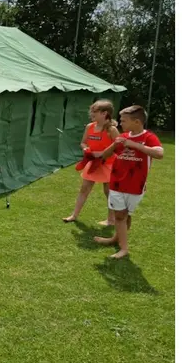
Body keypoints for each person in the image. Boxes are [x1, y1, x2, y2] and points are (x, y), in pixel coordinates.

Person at [94, 105, 164, 259]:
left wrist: (135, 145)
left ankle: (116, 239)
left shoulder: (148, 137)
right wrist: (114, 144)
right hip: (117, 183)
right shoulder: (123, 136)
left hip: (136, 186)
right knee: (120, 215)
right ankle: (123, 248)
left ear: (137, 122)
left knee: (126, 215)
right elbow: (104, 156)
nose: (120, 123)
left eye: (123, 120)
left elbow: (159, 153)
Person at [63, 100, 120, 226]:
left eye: (95, 111)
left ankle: (111, 220)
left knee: (109, 192)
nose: (91, 113)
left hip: (109, 164)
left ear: (105, 113)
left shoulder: (112, 129)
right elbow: (83, 142)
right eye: (91, 110)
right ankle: (74, 215)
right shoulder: (90, 127)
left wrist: (102, 153)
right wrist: (85, 149)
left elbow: (119, 147)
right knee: (84, 189)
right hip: (93, 162)